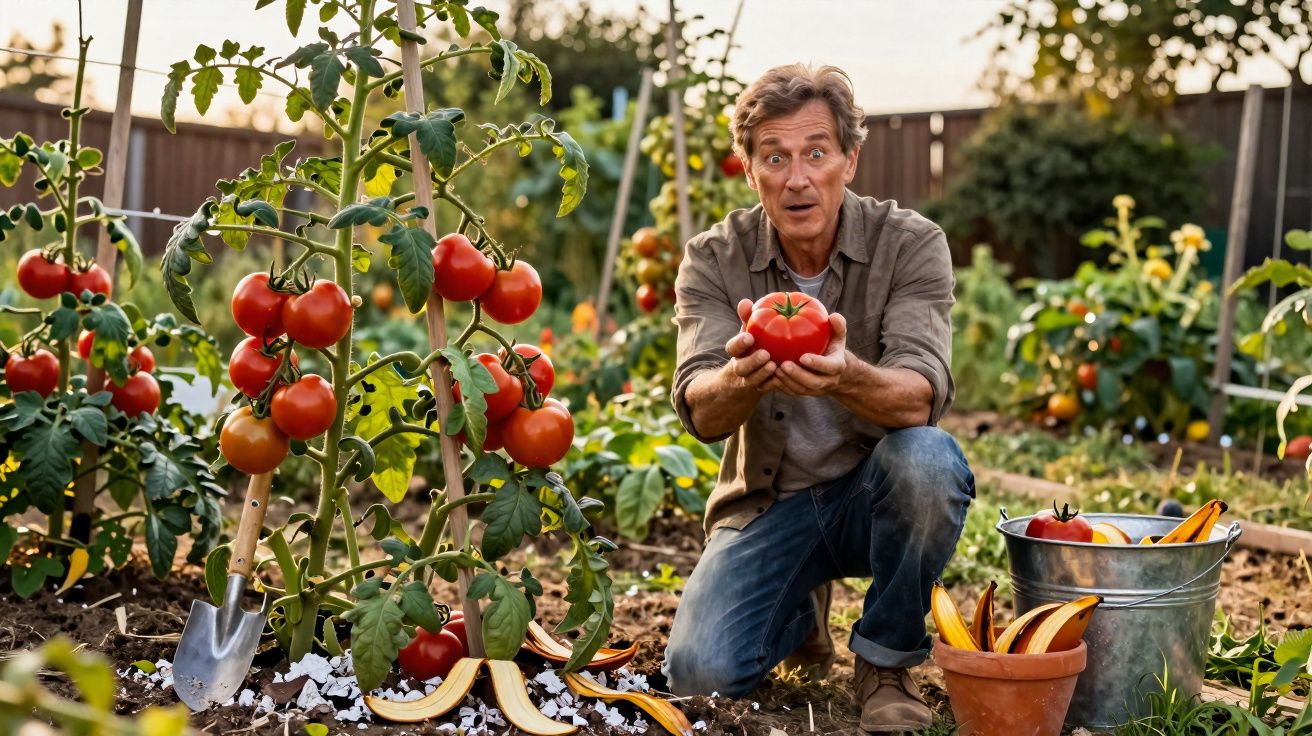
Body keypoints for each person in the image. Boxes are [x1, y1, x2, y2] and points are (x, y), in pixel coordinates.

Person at [660, 63, 976, 733]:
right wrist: (738, 376)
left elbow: (921, 397)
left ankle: (887, 663)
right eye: (774, 157)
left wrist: (844, 376)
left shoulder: (912, 244)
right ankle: (800, 608)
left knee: (928, 462)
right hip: (771, 507)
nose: (797, 178)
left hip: (872, 494)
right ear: (750, 171)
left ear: (849, 159)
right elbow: (700, 410)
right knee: (701, 676)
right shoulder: (715, 258)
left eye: (816, 153)